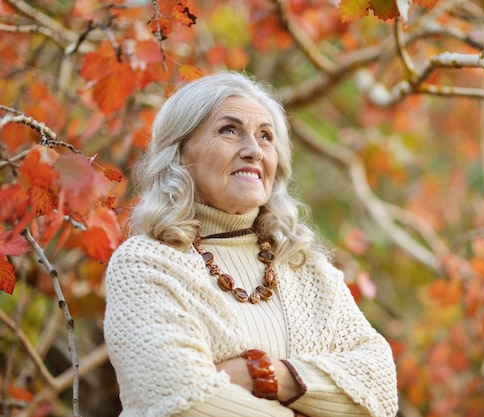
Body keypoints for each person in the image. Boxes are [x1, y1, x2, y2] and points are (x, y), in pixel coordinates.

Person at [103, 71, 399, 417]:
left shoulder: (305, 268)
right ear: (181, 153)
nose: (254, 151)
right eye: (229, 130)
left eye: (265, 136)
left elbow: (378, 389)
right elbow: (183, 401)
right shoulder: (145, 265)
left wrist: (267, 377)